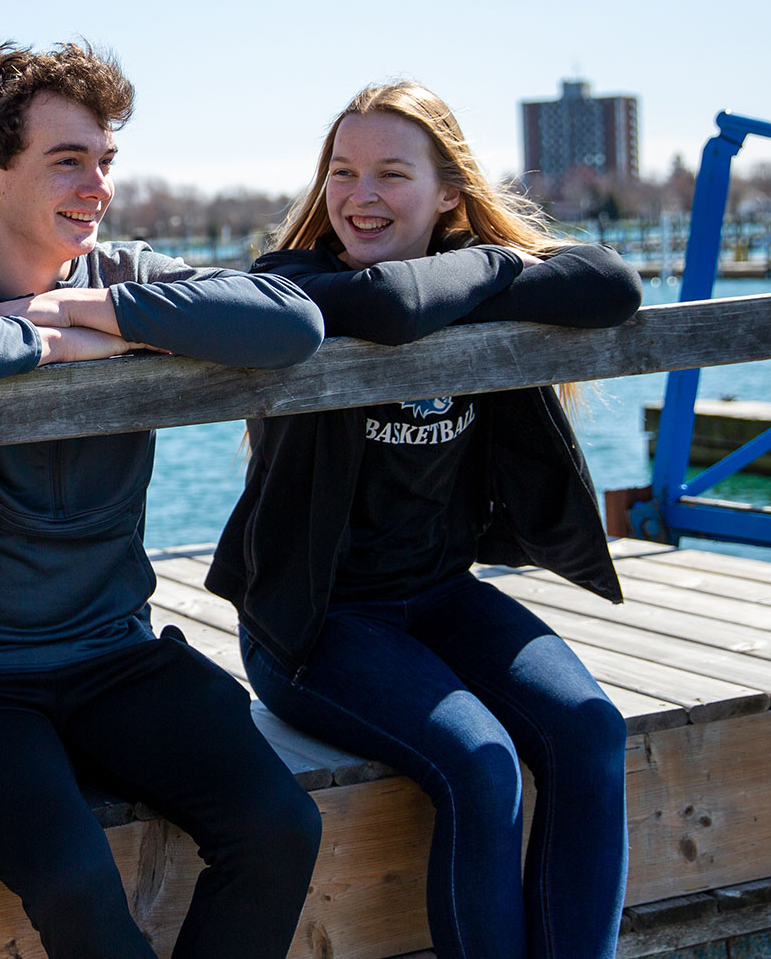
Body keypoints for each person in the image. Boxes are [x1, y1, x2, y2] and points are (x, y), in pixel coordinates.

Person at [0, 41, 326, 959]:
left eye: (105, 161)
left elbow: (291, 321)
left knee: (280, 824)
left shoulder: (123, 278)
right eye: (67, 160)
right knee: (77, 881)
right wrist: (45, 341)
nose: (97, 185)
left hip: (111, 656)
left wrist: (106, 316)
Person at [206, 80, 644, 959]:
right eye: (343, 171)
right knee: (481, 764)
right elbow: (392, 307)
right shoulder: (291, 283)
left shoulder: (465, 275)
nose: (359, 196)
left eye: (390, 174)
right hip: (312, 622)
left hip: (440, 598)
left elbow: (612, 284)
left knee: (590, 729)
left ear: (450, 192)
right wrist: (500, 267)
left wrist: (486, 265)